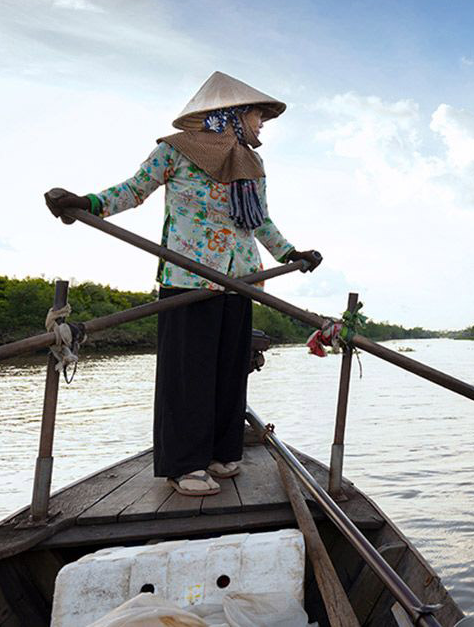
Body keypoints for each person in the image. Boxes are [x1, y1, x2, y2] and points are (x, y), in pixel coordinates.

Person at [44, 71, 321, 496]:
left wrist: (291, 254)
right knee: (189, 374)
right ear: (228, 114)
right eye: (256, 114)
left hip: (241, 280)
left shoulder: (252, 162)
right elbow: (133, 191)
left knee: (229, 371)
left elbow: (260, 221)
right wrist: (87, 204)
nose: (261, 123)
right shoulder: (172, 151)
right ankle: (185, 465)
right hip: (189, 276)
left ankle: (219, 451)